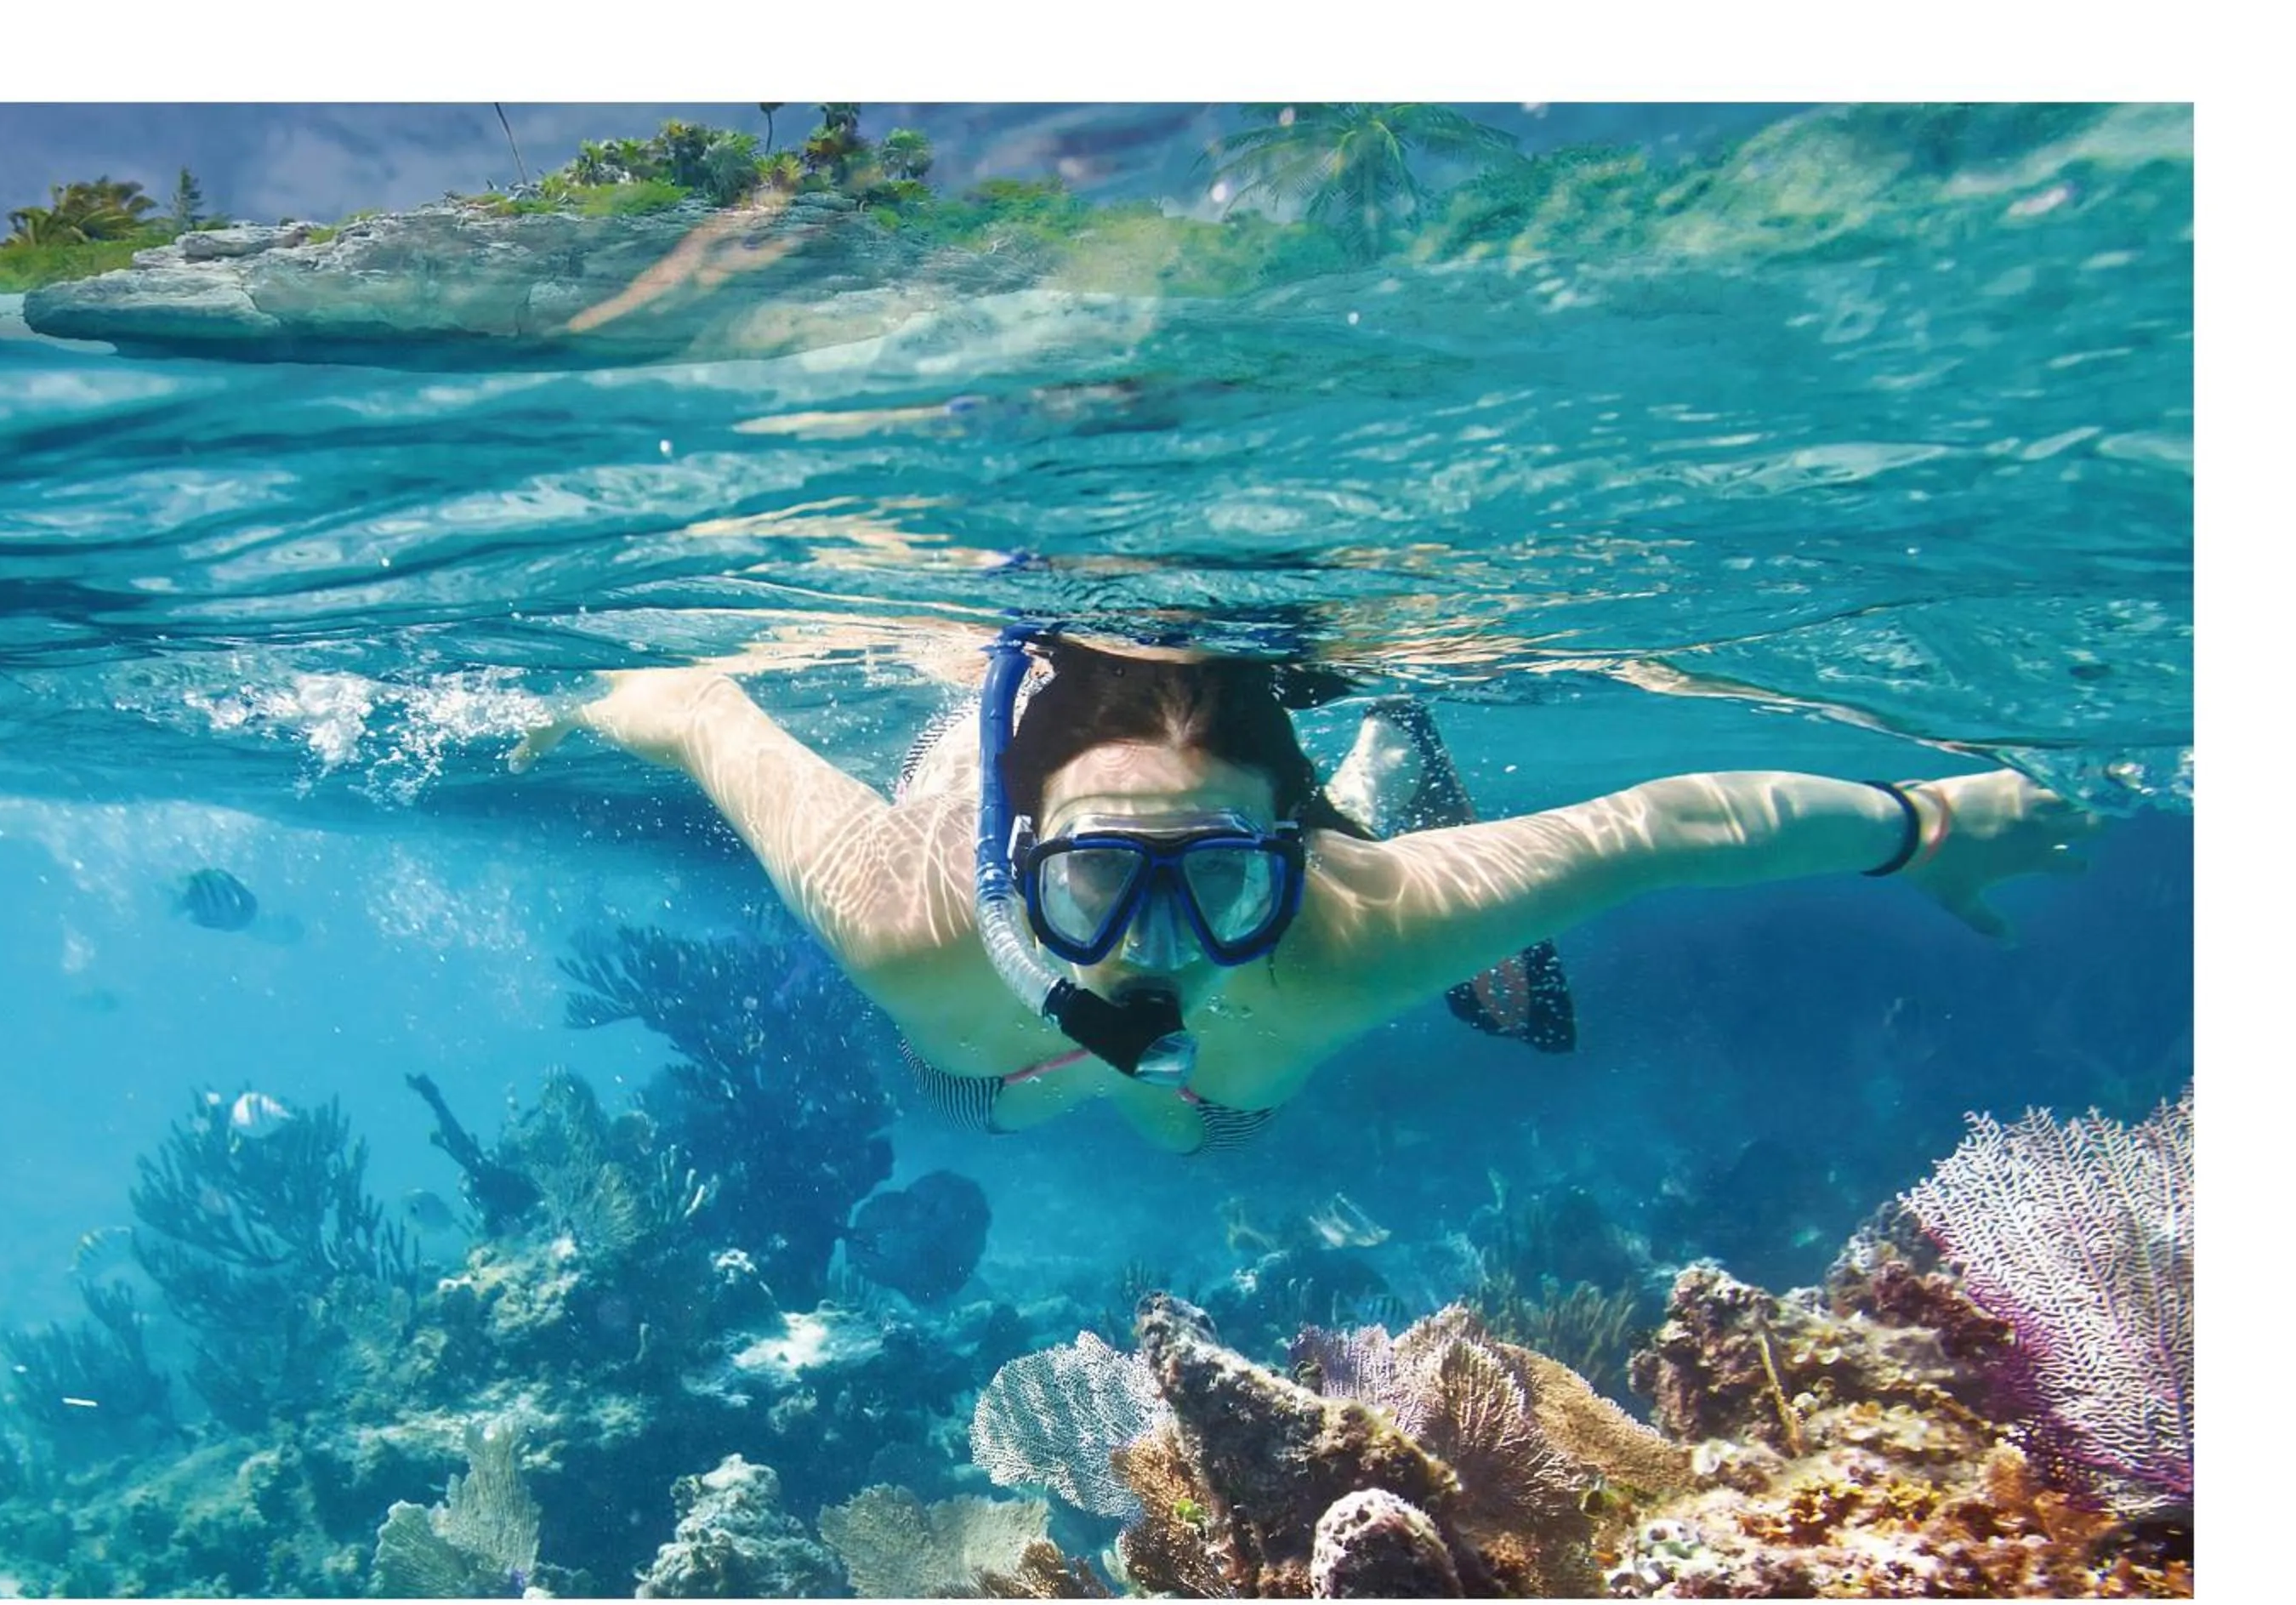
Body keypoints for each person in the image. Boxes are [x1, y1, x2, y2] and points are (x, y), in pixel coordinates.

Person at [509, 629, 2097, 1155]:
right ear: (1014, 865)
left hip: (1272, 960)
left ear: (1294, 856)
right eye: (1100, 880)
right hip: (988, 1049)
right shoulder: (905, 917)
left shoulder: (1355, 925)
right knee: (1003, 1089)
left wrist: (1933, 822)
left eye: (1218, 884)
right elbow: (707, 705)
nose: (1153, 947)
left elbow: (1667, 823)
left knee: (1201, 1115)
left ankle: (1378, 771)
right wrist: (578, 706)